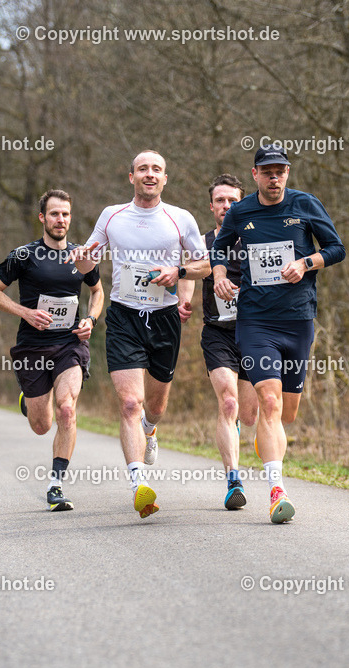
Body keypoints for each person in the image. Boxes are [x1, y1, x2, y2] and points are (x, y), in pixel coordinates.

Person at [211, 144, 345, 523]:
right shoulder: (241, 211)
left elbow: (337, 249)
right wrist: (220, 275)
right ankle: (276, 490)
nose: (274, 177)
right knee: (267, 403)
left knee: (286, 412)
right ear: (254, 174)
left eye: (280, 171)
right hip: (256, 321)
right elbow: (219, 248)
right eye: (267, 171)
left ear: (287, 173)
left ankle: (265, 443)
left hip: (298, 319)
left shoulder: (305, 205)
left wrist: (306, 263)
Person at [73, 150, 209, 519]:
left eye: (157, 170)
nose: (150, 174)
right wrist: (83, 257)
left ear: (165, 179)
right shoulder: (111, 215)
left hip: (164, 318)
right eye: (143, 169)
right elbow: (87, 263)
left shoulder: (180, 218)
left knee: (155, 407)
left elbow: (205, 264)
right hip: (124, 317)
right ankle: (139, 485)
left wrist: (177, 271)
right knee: (130, 403)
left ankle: (150, 430)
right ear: (130, 176)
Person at [0, 189, 103, 512]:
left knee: (67, 409)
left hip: (70, 345)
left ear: (70, 218)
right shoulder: (24, 256)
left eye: (65, 214)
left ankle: (55, 484)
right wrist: (25, 313)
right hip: (32, 348)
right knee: (41, 425)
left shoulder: (81, 255)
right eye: (54, 214)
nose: (60, 220)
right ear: (42, 218)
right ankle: (29, 398)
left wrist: (91, 319)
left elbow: (97, 291)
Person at [179, 174, 259, 510]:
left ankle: (243, 434)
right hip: (218, 332)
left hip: (256, 331)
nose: (227, 206)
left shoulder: (259, 236)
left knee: (251, 415)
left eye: (233, 200)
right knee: (228, 402)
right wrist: (184, 299)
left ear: (241, 202)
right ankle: (233, 480)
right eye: (221, 201)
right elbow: (190, 269)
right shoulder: (203, 240)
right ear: (211, 206)